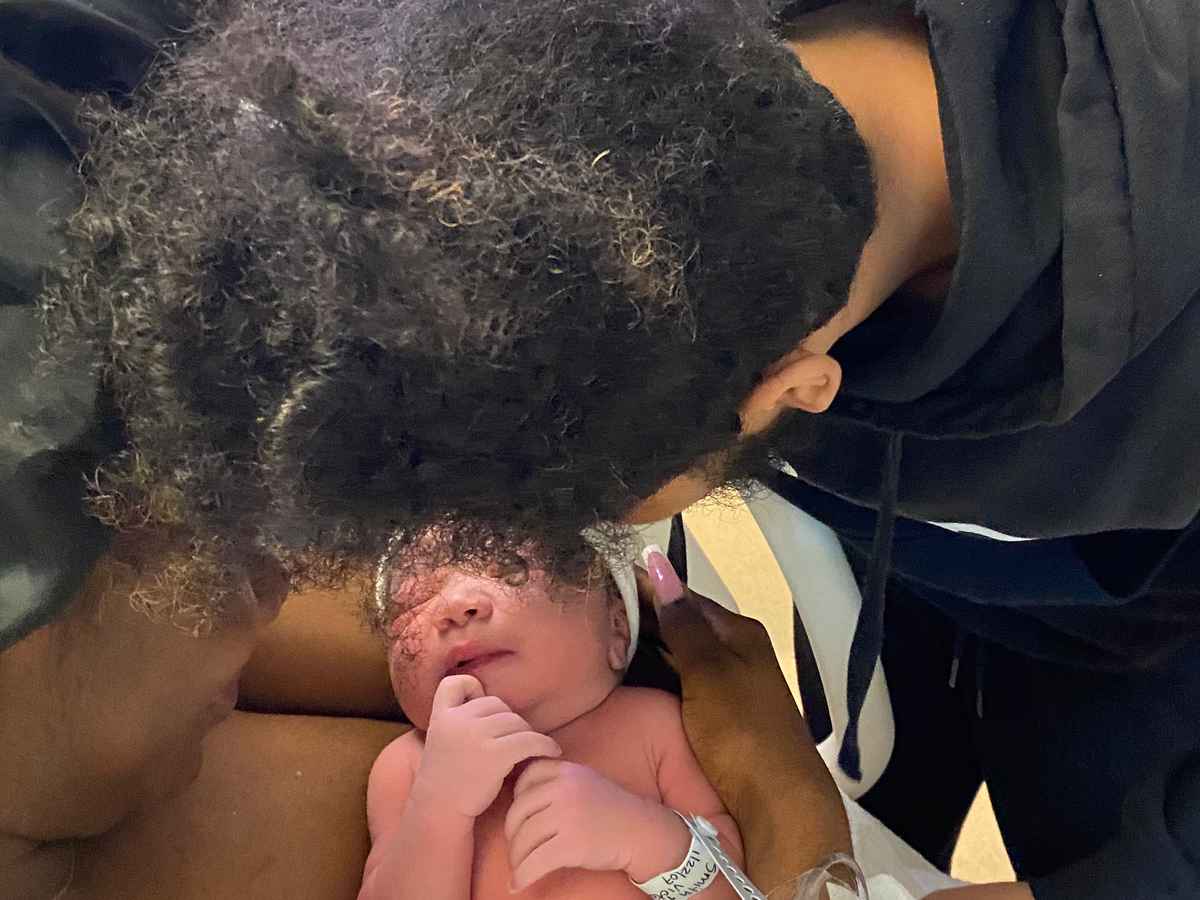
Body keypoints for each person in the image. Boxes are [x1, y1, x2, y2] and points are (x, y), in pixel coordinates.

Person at [9, 0, 1200, 899]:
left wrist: (814, 837)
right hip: (940, 562)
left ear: (793, 393)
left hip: (1140, 639)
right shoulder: (627, 120)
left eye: (576, 511)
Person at [360, 535, 742, 899]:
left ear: (617, 628)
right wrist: (436, 806)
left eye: (510, 569)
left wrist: (643, 836)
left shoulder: (655, 725)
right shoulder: (409, 764)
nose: (455, 607)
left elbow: (737, 888)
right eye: (415, 599)